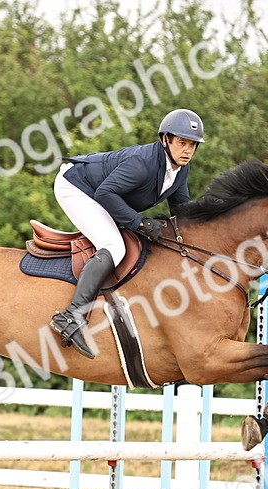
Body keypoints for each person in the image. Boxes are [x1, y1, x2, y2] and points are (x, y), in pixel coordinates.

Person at [49, 108, 204, 358]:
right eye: (182, 143)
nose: (188, 150)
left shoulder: (179, 170)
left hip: (101, 190)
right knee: (114, 246)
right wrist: (139, 223)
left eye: (193, 145)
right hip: (76, 186)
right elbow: (105, 194)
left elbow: (182, 209)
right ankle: (71, 316)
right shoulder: (142, 163)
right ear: (166, 140)